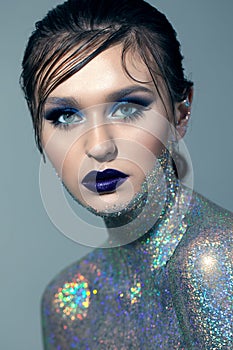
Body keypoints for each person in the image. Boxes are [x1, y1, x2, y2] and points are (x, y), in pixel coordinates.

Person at [20, 0, 233, 348]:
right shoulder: (66, 303)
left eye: (128, 107)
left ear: (180, 114)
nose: (99, 146)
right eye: (65, 116)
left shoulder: (214, 261)